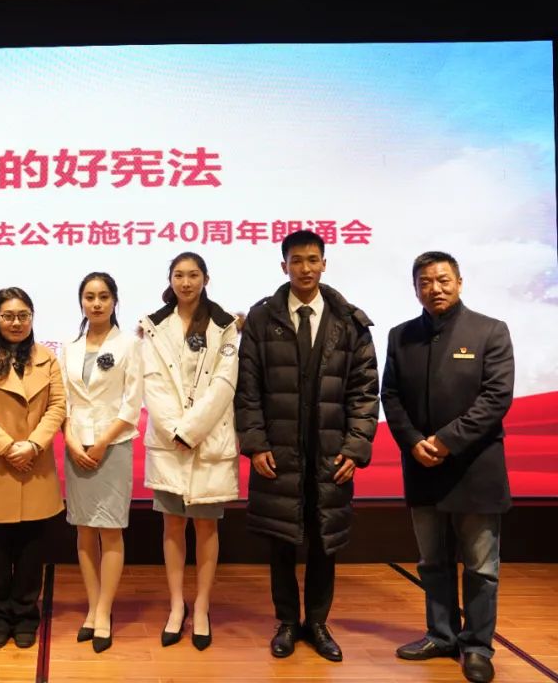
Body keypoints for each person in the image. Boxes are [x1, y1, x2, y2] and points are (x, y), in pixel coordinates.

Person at [235, 230, 378, 662]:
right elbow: (248, 389)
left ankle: (317, 622)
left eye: (313, 260)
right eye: (296, 261)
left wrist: (355, 448)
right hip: (278, 452)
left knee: (324, 542)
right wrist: (255, 444)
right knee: (280, 543)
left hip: (330, 453)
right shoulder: (262, 318)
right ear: (284, 266)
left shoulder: (348, 321)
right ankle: (285, 622)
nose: (305, 268)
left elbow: (364, 392)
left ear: (324, 264)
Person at [381, 251, 514, 683]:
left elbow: (496, 398)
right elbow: (391, 397)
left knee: (480, 568)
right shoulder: (401, 336)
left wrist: (446, 441)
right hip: (422, 465)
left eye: (442, 280)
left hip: (476, 468)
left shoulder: (490, 331)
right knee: (432, 562)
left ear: (459, 282)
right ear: (415, 288)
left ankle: (477, 646)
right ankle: (440, 635)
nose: (434, 289)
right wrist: (413, 442)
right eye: (424, 282)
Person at [140, 252, 240, 652]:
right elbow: (152, 382)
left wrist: (193, 430)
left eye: (193, 275)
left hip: (209, 439)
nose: (186, 282)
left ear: (205, 279)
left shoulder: (225, 325)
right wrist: (176, 430)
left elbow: (225, 382)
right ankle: (176, 606)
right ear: (170, 279)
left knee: (206, 527)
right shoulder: (153, 326)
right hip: (170, 444)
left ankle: (201, 607)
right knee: (172, 526)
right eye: (179, 275)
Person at [0, 287, 67, 649]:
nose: (16, 323)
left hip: (34, 466)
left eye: (23, 315)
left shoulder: (47, 359)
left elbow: (57, 406)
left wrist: (33, 445)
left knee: (31, 553)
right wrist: (8, 447)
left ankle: (25, 615)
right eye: (8, 316)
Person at [61, 272, 142, 653]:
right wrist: (71, 441)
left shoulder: (129, 344)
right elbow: (63, 401)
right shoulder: (69, 347)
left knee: (109, 530)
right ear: (81, 301)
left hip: (113, 446)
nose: (96, 303)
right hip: (77, 446)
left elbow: (132, 403)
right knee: (83, 530)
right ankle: (92, 608)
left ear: (114, 301)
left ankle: (105, 611)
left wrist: (102, 442)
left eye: (104, 296)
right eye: (90, 297)